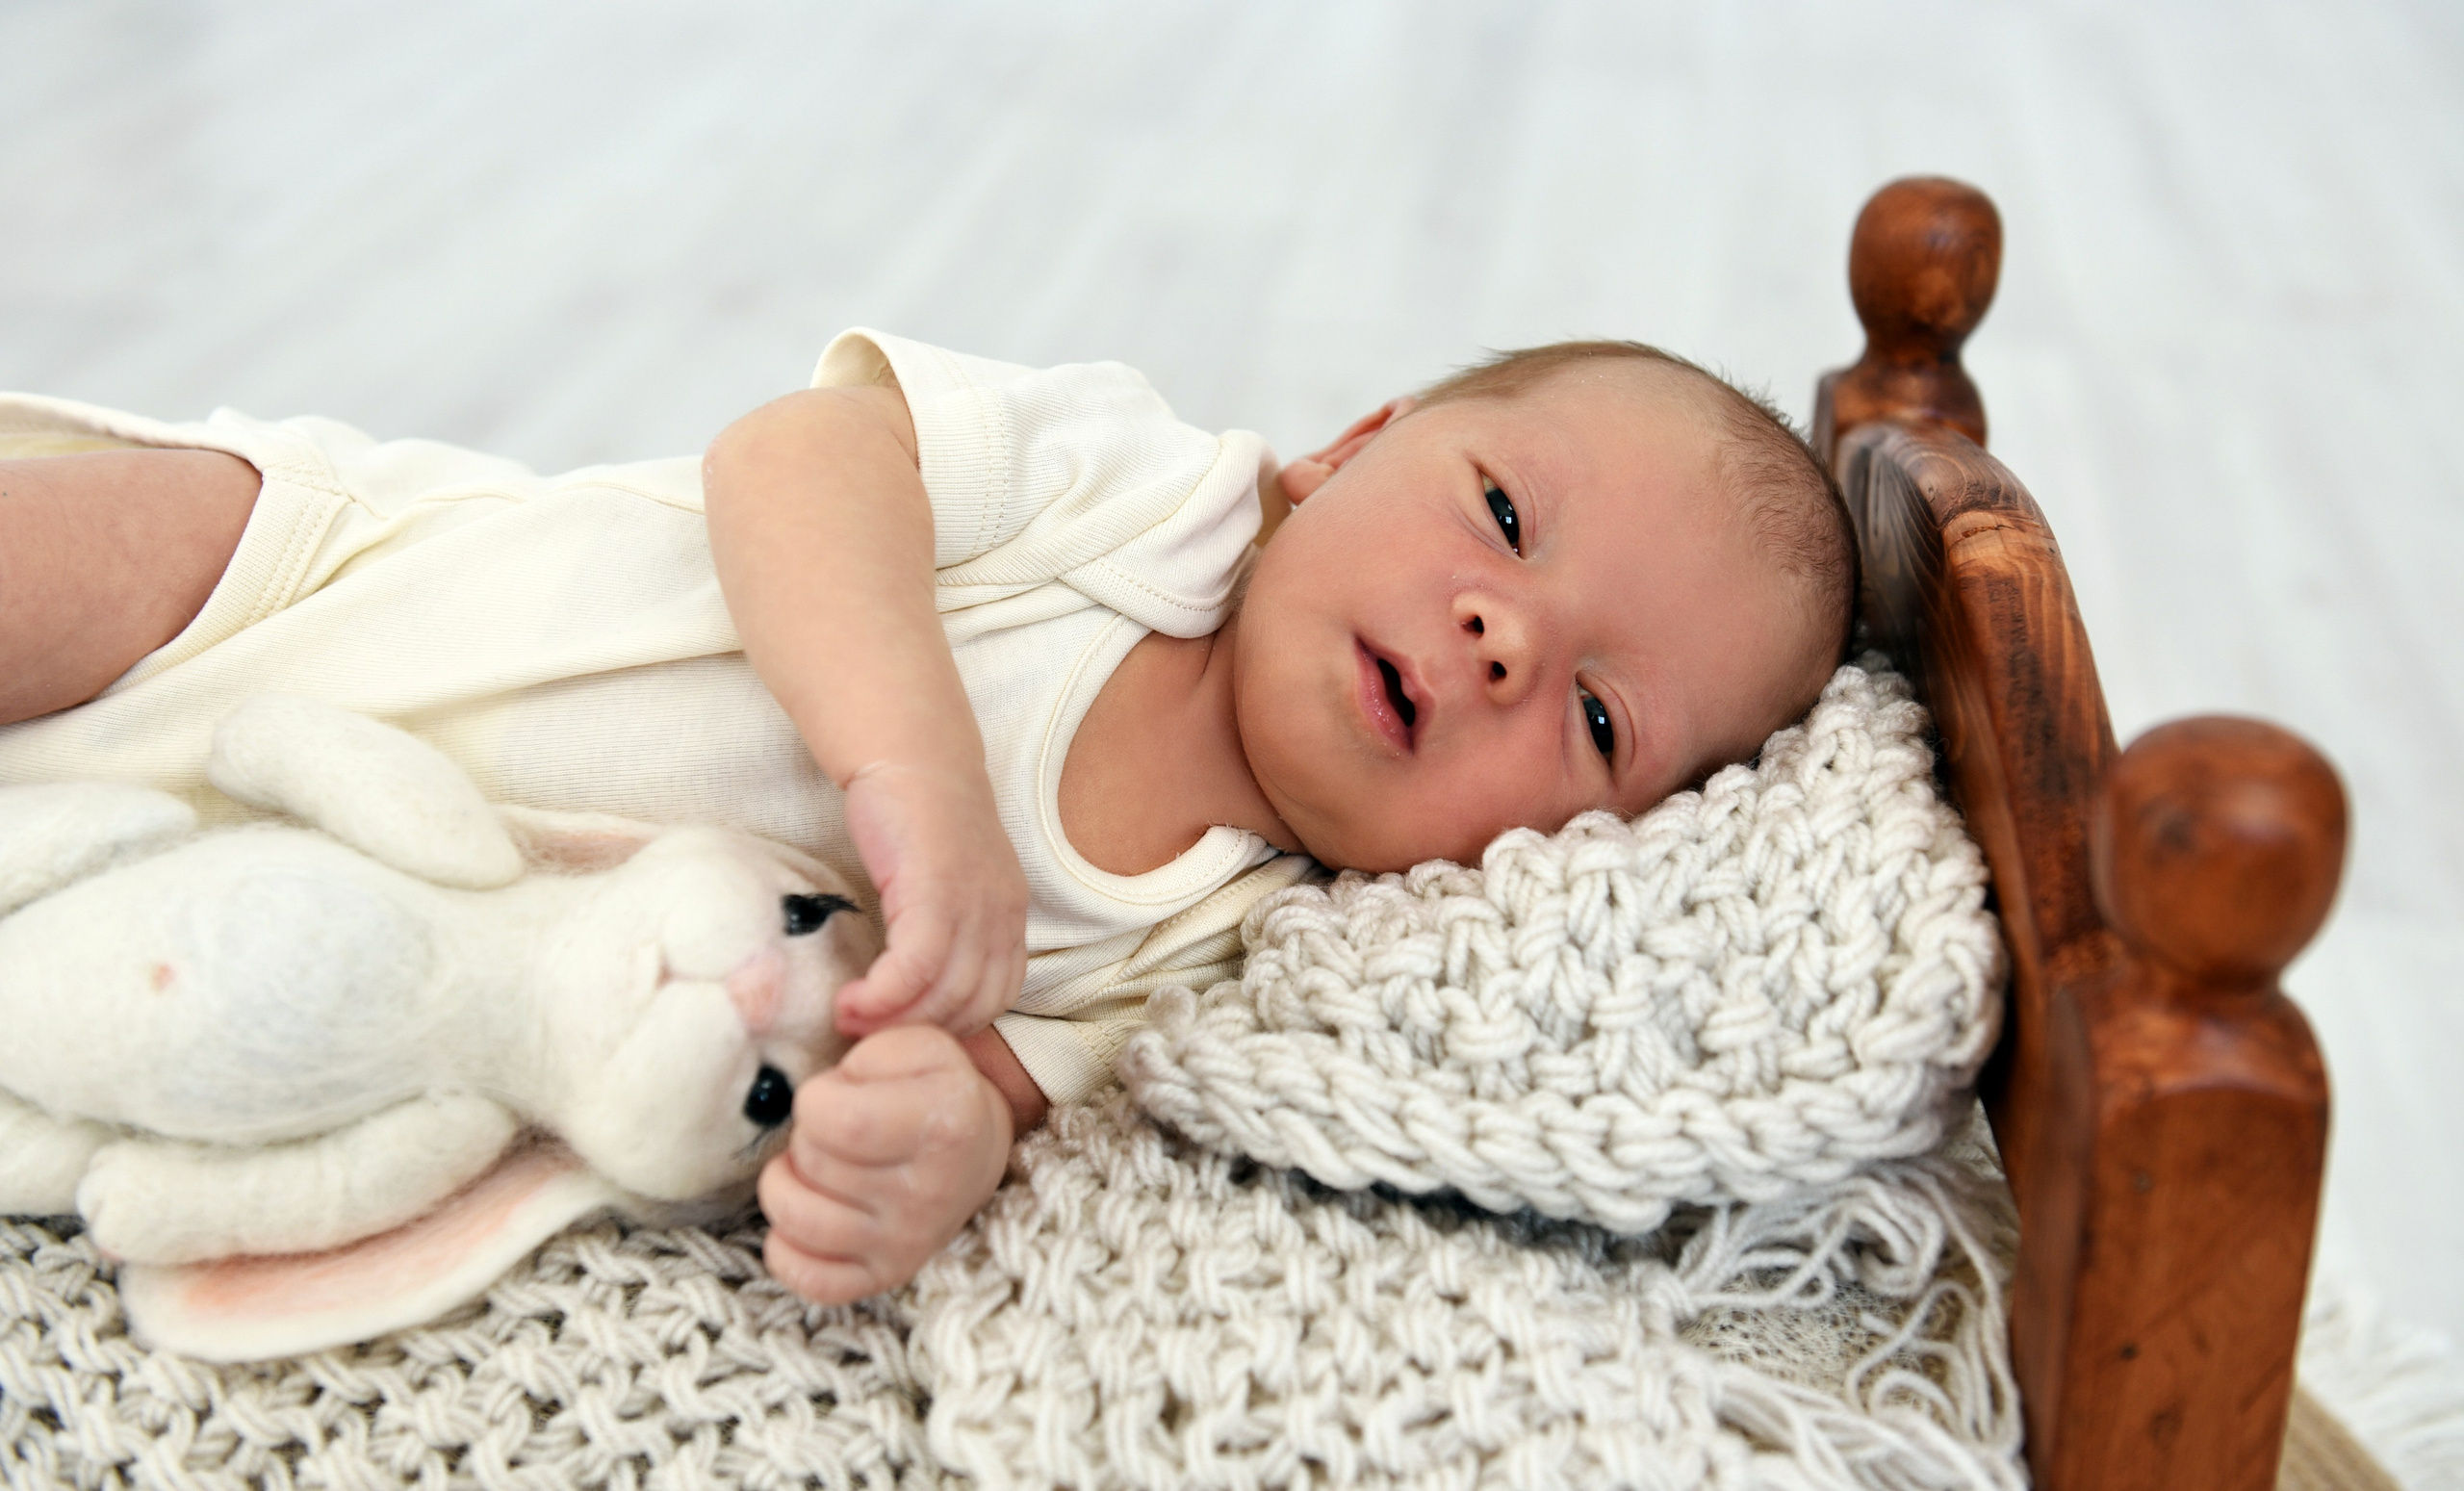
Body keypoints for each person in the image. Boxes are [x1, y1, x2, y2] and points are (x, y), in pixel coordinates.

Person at [0, 332, 1852, 1302]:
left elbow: (989, 1096)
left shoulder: (1218, 943)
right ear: (1352, 444)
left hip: (324, 916)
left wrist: (921, 1152)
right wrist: (916, 766)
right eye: (1505, 519)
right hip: (297, 580)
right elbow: (793, 456)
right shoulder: (1150, 500)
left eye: (1600, 714)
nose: (1501, 634)